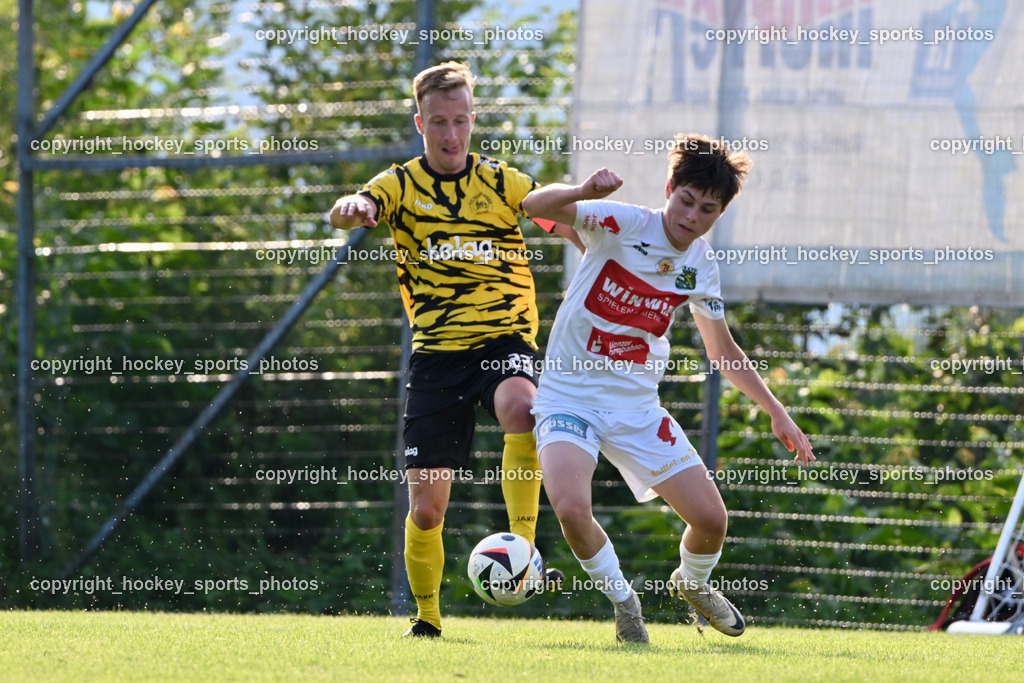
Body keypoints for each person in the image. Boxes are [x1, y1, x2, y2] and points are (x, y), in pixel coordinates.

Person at [521, 133, 816, 644]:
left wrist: (776, 410)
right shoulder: (622, 222)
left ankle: (693, 583)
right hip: (569, 397)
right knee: (571, 509)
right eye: (685, 200)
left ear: (719, 214)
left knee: (712, 520)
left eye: (707, 209)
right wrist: (585, 189)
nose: (691, 216)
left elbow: (722, 349)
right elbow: (533, 205)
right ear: (669, 189)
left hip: (636, 407)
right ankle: (625, 604)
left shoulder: (700, 265)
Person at [329, 62, 577, 638]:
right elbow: (358, 202)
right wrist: (351, 209)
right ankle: (428, 619)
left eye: (461, 120)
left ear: (472, 120)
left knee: (522, 405)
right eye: (438, 122)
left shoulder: (498, 180)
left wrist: (586, 209)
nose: (451, 134)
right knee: (426, 510)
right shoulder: (399, 184)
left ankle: (523, 548)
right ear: (421, 123)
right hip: (438, 356)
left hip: (503, 340)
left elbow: (550, 205)